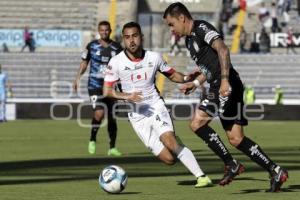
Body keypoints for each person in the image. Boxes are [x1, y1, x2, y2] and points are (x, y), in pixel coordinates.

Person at [163, 2, 288, 192]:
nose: (171, 29)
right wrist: (195, 83)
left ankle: (231, 164)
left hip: (226, 85)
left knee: (197, 123)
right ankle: (275, 170)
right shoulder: (189, 41)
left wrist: (223, 81)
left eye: (171, 24)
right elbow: (209, 67)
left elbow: (223, 50)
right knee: (236, 139)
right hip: (228, 84)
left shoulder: (202, 28)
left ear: (182, 18)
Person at [103, 22, 213, 188]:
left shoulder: (154, 58)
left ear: (141, 37)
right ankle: (177, 145)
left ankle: (202, 177)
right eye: (127, 37)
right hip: (137, 118)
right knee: (169, 159)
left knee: (169, 141)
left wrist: (186, 78)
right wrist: (126, 96)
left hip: (155, 106)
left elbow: (172, 75)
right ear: (123, 40)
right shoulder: (116, 62)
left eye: (134, 36)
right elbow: (107, 91)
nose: (131, 41)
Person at [73, 21, 123, 156]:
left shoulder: (117, 48)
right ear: (98, 31)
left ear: (110, 31)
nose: (104, 32)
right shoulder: (91, 46)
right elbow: (84, 63)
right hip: (94, 85)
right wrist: (77, 78)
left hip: (111, 86)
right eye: (102, 30)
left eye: (107, 30)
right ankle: (92, 139)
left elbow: (123, 67)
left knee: (112, 117)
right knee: (99, 113)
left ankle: (112, 147)